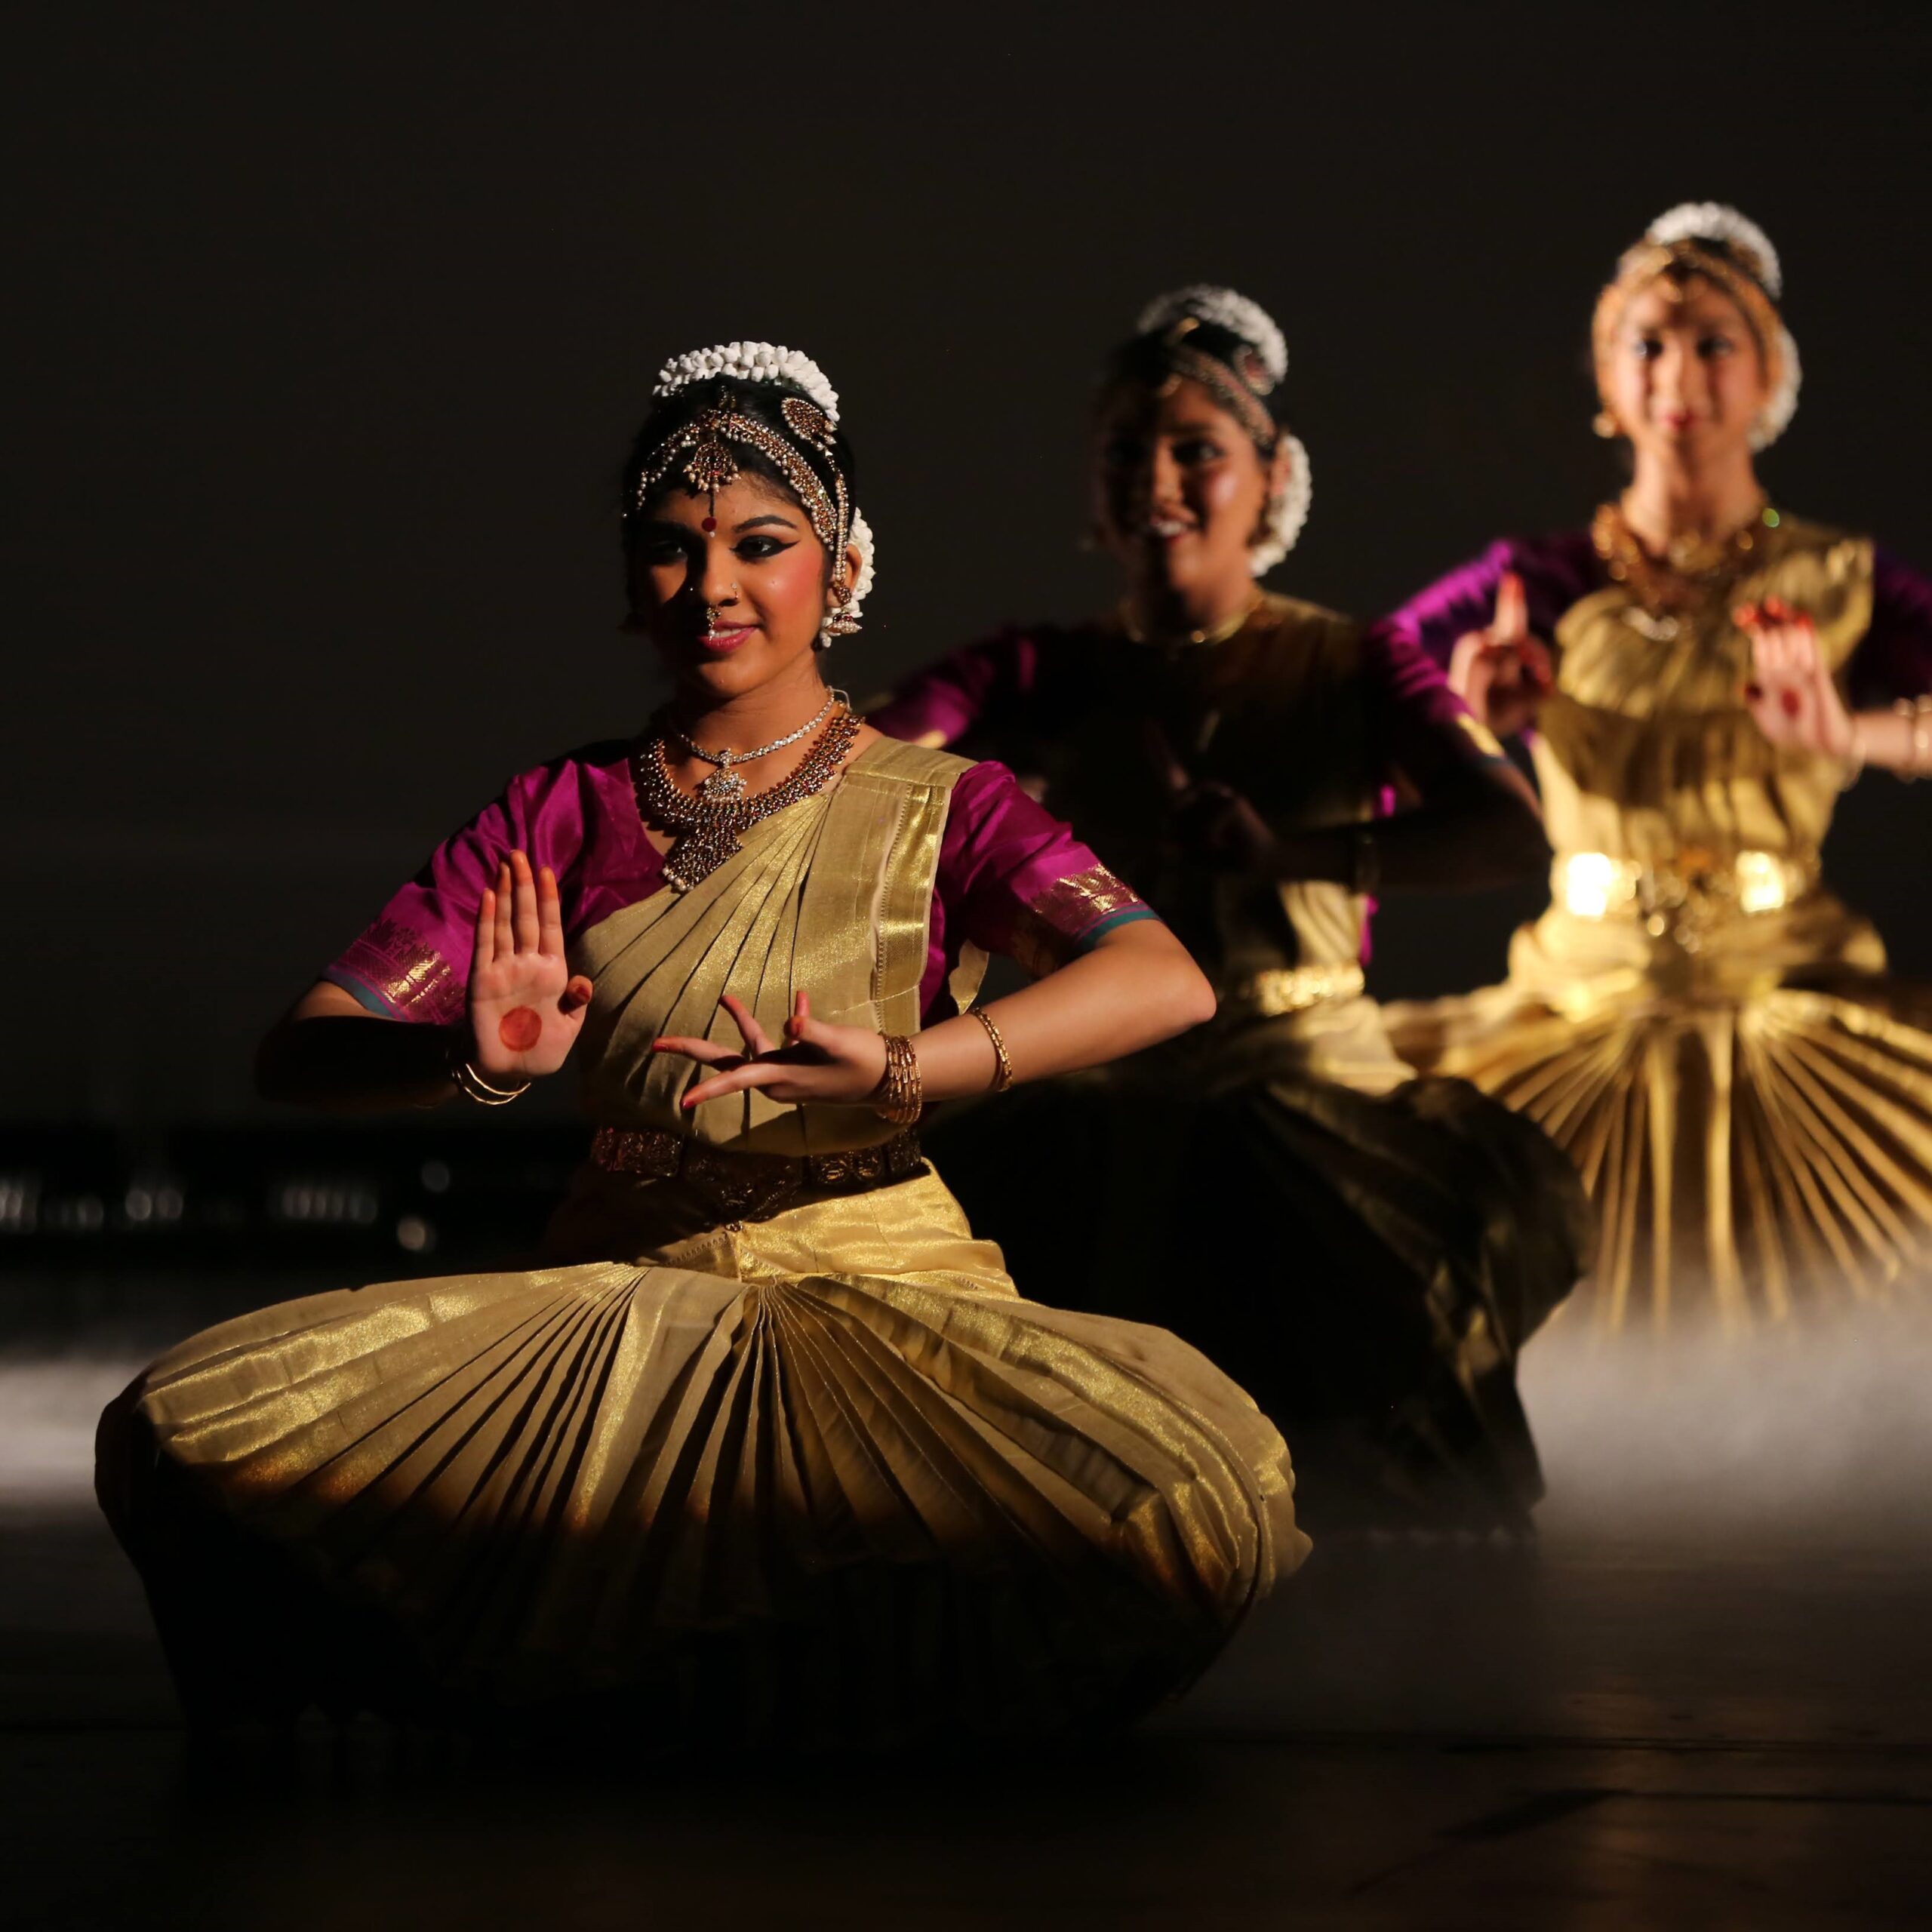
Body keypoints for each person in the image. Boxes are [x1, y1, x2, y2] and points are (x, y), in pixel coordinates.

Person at [95, 343, 1305, 1746]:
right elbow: (307, 1050)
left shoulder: (943, 804)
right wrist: (475, 1067)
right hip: (617, 1280)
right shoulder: (564, 809)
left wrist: (913, 1068)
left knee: (1177, 1518)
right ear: (630, 581)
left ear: (841, 566)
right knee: (188, 1441)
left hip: (878, 1273)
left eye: (759, 544)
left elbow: (1161, 980)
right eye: (670, 550)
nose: (712, 585)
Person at [873, 289, 1587, 1534]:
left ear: (1271, 481)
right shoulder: (1041, 671)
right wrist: (957, 794)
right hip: (1101, 1092)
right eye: (1125, 454)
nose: (1157, 478)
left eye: (1197, 450)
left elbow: (1505, 831)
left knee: (1394, 1309)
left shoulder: (1354, 662)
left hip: (1306, 1082)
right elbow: (876, 750)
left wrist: (1286, 850)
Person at [1374, 205, 1932, 1332]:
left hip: (1795, 987)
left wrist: (1847, 733)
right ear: (1607, 377)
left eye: (1714, 341)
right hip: (1579, 994)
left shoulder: (1838, 577)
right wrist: (1466, 728)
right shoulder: (1537, 580)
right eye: (1649, 342)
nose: (1680, 374)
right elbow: (1347, 707)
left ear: (1771, 375)